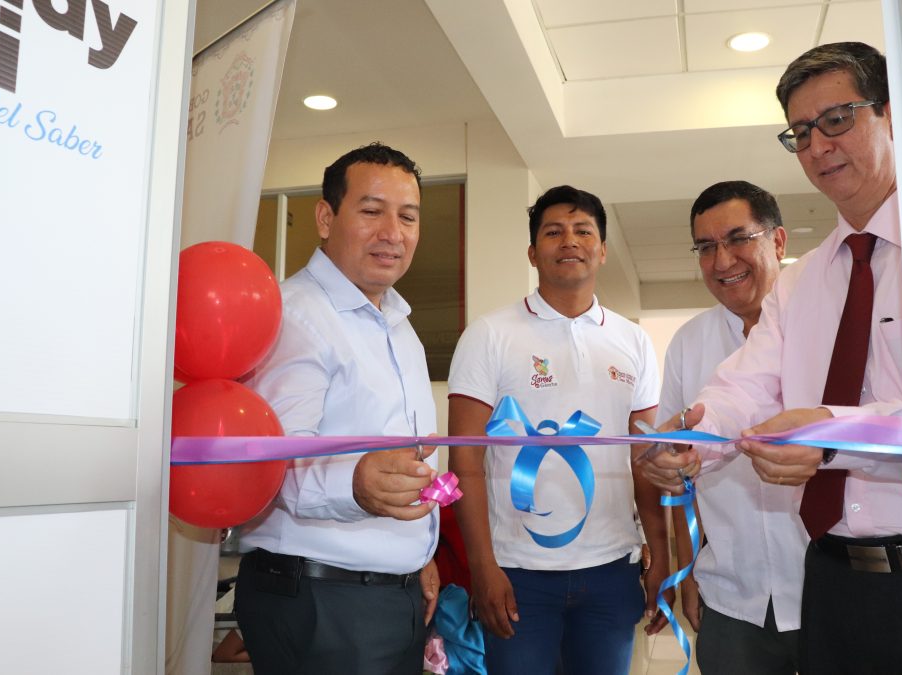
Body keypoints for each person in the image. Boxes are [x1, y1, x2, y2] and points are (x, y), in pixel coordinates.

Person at [642, 42, 902, 674]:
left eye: (838, 119)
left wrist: (829, 439)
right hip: (829, 576)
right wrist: (697, 437)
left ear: (893, 115)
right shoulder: (802, 286)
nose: (818, 146)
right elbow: (745, 388)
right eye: (801, 132)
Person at [234, 142, 441, 675]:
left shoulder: (400, 326)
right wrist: (354, 482)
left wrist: (420, 554)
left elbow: (409, 463)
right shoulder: (297, 317)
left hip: (390, 595)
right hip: (323, 603)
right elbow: (268, 464)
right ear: (326, 218)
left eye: (408, 216)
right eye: (371, 211)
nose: (392, 233)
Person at [447, 185, 668, 675]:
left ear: (603, 250)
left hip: (612, 568)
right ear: (533, 251)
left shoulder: (632, 341)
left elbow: (645, 458)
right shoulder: (490, 334)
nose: (569, 240)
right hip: (519, 573)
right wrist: (482, 567)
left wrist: (661, 553)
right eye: (553, 232)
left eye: (583, 230)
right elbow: (465, 461)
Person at [660, 180, 803, 674]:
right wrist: (687, 571)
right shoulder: (688, 343)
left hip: (826, 591)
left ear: (778, 242)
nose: (722, 261)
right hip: (730, 595)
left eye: (738, 238)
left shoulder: (822, 322)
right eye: (705, 247)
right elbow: (679, 475)